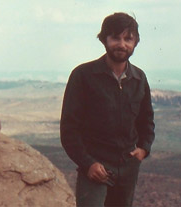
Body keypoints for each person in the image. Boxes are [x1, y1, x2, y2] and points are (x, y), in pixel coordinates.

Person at [60, 12, 155, 207]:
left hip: (127, 169)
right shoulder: (84, 75)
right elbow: (69, 129)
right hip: (95, 169)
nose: (122, 44)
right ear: (104, 39)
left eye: (128, 38)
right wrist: (88, 163)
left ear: (136, 41)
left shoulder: (139, 78)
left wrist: (144, 149)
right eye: (115, 37)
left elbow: (146, 120)